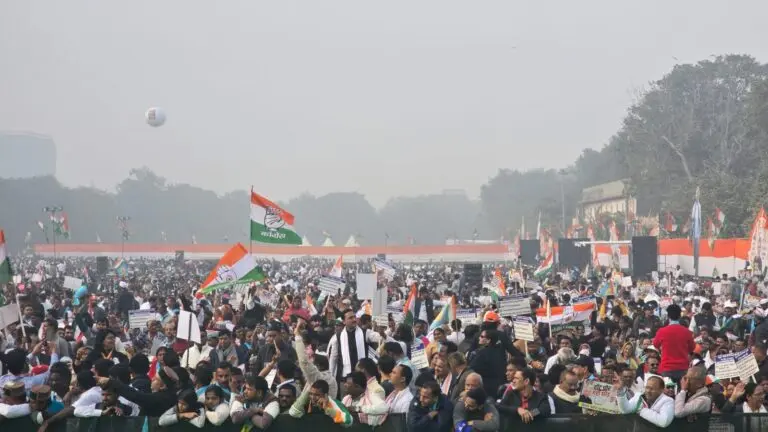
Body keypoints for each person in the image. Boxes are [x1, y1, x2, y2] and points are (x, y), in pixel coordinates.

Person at [328, 310, 383, 396]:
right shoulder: (337, 336)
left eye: (354, 317)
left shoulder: (365, 333)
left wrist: (382, 333)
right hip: (345, 380)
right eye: (350, 318)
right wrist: (331, 376)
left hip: (363, 380)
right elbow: (333, 358)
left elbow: (380, 338)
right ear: (344, 321)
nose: (354, 320)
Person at [653, 304, 695, 383]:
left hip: (666, 368)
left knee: (667, 393)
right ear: (680, 316)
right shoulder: (687, 332)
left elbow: (655, 344)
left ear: (668, 316)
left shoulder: (662, 331)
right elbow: (692, 348)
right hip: (683, 368)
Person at [289, 379, 353, 427]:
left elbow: (348, 421)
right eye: (311, 394)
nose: (313, 398)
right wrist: (306, 393)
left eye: (317, 395)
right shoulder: (307, 401)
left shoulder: (334, 403)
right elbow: (293, 412)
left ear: (325, 395)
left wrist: (327, 409)